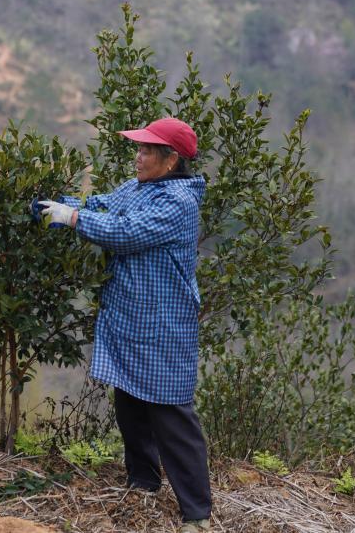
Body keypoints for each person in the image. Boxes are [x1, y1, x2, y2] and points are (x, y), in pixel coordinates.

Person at [36, 117, 213, 531]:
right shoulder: (139, 187)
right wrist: (57, 204)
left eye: (147, 150)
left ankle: (197, 513)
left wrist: (72, 219)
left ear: (171, 161)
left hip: (164, 323)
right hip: (133, 317)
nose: (138, 156)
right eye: (139, 148)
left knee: (170, 413)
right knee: (131, 401)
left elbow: (125, 232)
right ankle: (143, 482)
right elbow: (103, 205)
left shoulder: (177, 202)